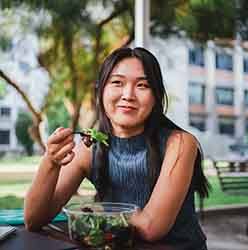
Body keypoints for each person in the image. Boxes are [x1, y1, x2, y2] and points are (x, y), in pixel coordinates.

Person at [24, 47, 210, 249]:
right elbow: (34, 220)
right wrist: (50, 162)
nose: (128, 95)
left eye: (142, 85)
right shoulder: (90, 147)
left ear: (156, 96)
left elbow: (151, 228)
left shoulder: (180, 143)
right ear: (101, 91)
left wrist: (96, 211)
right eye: (117, 83)